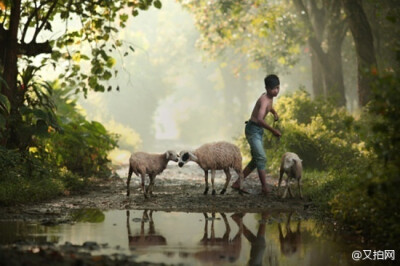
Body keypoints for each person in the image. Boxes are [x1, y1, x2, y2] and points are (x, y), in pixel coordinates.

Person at [232, 74, 282, 195]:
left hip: (258, 130)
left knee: (256, 160)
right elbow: (259, 119)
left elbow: (269, 107)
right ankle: (264, 187)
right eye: (273, 89)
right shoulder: (264, 99)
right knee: (261, 158)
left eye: (277, 88)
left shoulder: (270, 97)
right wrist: (273, 130)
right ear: (266, 88)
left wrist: (274, 113)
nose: (276, 91)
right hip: (253, 129)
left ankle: (238, 182)